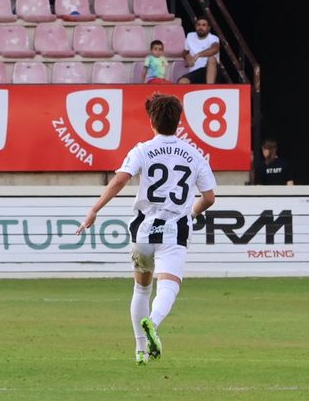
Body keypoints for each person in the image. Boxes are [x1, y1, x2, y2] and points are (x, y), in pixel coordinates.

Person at [76, 93, 217, 365]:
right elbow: (209, 197)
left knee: (141, 289)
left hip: (142, 229)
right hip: (174, 229)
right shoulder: (194, 154)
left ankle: (140, 351)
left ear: (151, 120)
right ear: (179, 121)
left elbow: (121, 179)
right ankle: (152, 322)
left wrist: (94, 209)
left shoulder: (142, 150)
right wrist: (192, 212)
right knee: (169, 285)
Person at [180, 14, 220, 84]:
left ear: (209, 28)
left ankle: (209, 90)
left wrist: (198, 55)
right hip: (195, 72)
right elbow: (185, 52)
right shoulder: (190, 35)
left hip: (208, 70)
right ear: (195, 26)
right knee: (182, 82)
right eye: (198, 25)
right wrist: (187, 57)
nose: (200, 27)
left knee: (211, 59)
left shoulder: (213, 38)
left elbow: (215, 49)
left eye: (203, 25)